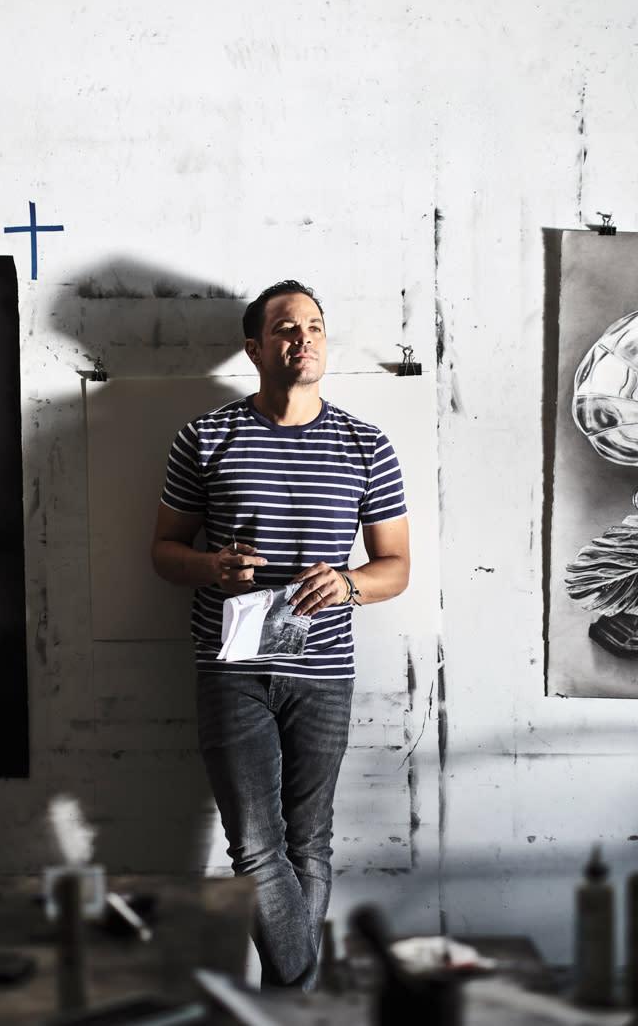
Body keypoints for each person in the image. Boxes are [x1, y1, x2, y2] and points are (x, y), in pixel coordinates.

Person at [150, 280, 410, 990]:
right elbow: (163, 553)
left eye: (317, 327)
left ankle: (282, 1005)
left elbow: (397, 568)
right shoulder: (205, 437)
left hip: (325, 672)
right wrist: (211, 565)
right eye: (289, 328)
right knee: (256, 848)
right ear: (256, 347)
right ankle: (298, 1006)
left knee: (311, 845)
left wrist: (350, 583)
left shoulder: (366, 443)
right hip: (232, 666)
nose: (306, 339)